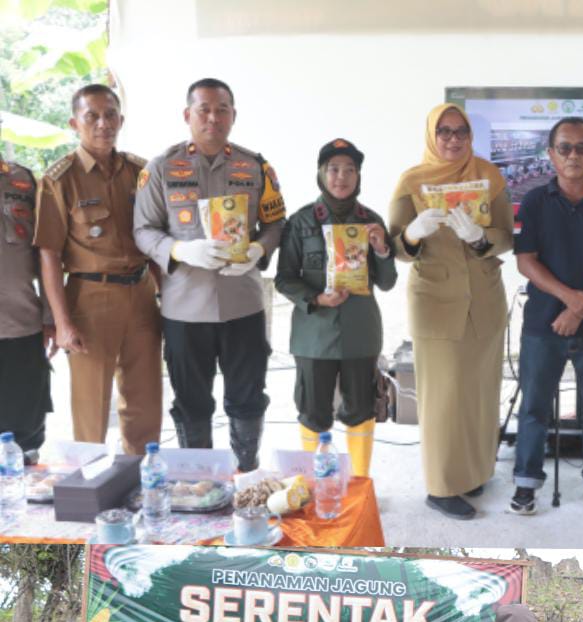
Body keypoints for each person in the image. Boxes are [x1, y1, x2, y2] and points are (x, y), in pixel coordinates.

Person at [133, 77, 285, 472]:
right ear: (188, 115)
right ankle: (200, 480)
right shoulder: (162, 168)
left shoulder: (256, 167)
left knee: (248, 397)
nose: (213, 118)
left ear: (234, 115)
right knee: (191, 401)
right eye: (204, 109)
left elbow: (275, 223)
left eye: (222, 109)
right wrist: (181, 250)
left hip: (243, 303)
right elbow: (143, 230)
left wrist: (258, 249)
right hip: (185, 307)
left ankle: (246, 477)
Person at [388, 103, 514, 520]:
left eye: (461, 131)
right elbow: (393, 247)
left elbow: (506, 237)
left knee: (479, 391)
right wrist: (413, 232)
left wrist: (480, 237)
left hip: (484, 298)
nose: (454, 140)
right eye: (444, 132)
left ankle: (474, 472)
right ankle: (442, 487)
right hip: (435, 301)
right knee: (443, 397)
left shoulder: (489, 176)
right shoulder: (412, 181)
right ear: (431, 134)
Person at [509, 118, 583, 517]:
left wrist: (582, 306)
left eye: (581, 148)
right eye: (565, 148)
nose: (573, 155)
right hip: (543, 324)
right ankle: (526, 484)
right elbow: (526, 262)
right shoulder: (534, 202)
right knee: (534, 409)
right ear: (550, 154)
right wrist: (569, 301)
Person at [34, 84, 161, 454]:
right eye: (92, 116)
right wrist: (61, 322)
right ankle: (90, 487)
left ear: (121, 119)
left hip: (140, 293)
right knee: (91, 405)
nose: (103, 124)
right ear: (75, 122)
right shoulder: (60, 179)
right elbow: (48, 256)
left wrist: (163, 291)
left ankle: (141, 479)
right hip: (90, 298)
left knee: (145, 398)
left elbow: (154, 239)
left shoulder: (141, 172)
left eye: (110, 115)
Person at [275, 138, 396, 476]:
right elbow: (284, 278)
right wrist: (317, 298)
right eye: (333, 169)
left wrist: (382, 249)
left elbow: (386, 283)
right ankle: (315, 487)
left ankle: (359, 485)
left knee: (361, 411)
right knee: (314, 413)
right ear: (321, 174)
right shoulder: (301, 222)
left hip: (360, 334)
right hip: (314, 335)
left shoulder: (372, 221)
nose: (341, 177)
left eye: (349, 170)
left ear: (358, 176)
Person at [0, 140, 54, 461]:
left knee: (27, 434)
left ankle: (24, 502)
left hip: (22, 326)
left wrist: (51, 317)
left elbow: (45, 254)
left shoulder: (23, 182)